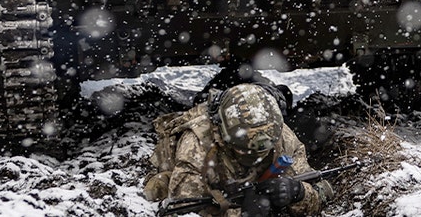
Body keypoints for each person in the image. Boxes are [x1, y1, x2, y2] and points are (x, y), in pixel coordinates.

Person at [143, 82, 334, 216]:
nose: (256, 155)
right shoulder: (197, 145)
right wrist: (239, 213)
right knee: (156, 189)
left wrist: (298, 193)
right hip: (203, 178)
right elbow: (183, 211)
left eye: (264, 150)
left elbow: (323, 193)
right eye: (246, 151)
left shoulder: (282, 136)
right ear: (223, 136)